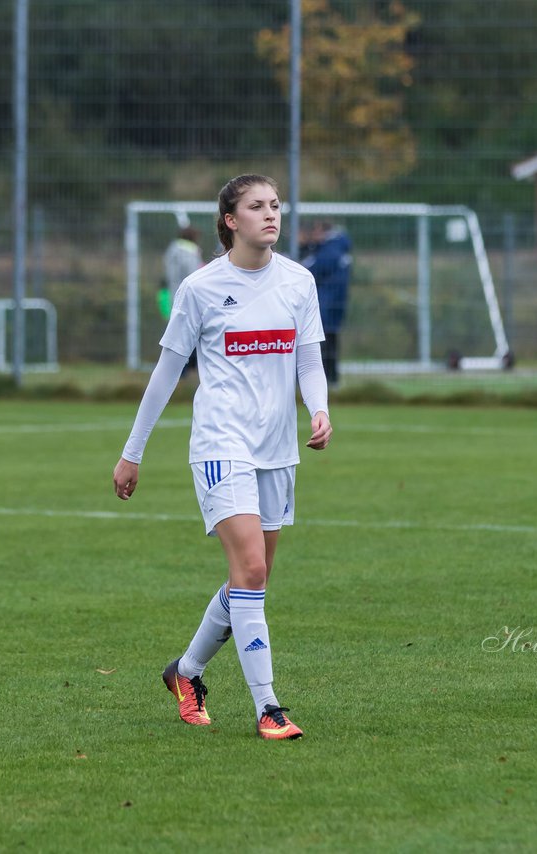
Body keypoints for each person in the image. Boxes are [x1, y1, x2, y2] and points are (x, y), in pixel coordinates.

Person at [113, 174, 332, 741]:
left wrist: (319, 410)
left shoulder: (298, 282)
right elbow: (166, 374)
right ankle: (269, 708)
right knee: (252, 572)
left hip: (277, 450)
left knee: (249, 582)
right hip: (220, 445)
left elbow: (309, 359)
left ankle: (185, 673)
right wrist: (131, 453)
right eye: (256, 206)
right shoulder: (202, 288)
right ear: (230, 220)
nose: (271, 214)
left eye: (276, 205)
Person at [300, 220, 353, 386]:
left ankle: (326, 380)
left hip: (326, 304)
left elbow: (307, 271)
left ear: (323, 232)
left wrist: (303, 249)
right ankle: (331, 379)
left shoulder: (330, 251)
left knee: (323, 344)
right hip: (333, 303)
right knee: (330, 342)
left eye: (315, 232)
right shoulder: (338, 247)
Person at [159, 225, 203, 375]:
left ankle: (181, 372)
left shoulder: (173, 251)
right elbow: (194, 276)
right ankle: (184, 372)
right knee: (189, 338)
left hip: (174, 298)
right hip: (188, 301)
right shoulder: (187, 253)